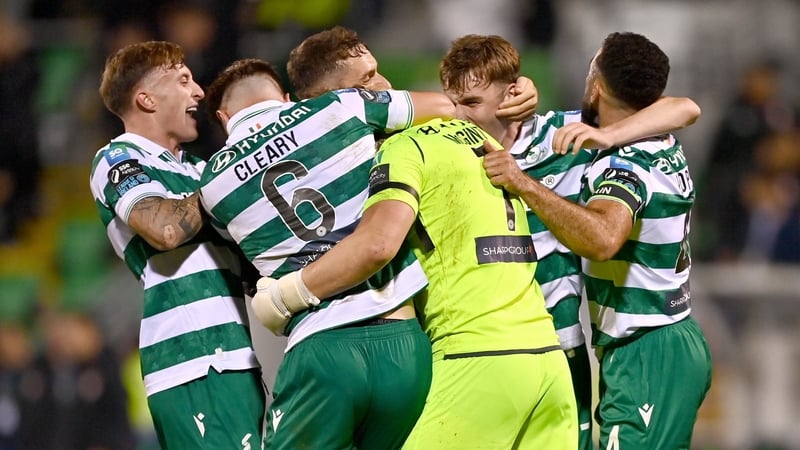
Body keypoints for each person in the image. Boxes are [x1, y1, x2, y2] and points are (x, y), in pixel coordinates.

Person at [437, 33, 702, 450]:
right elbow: (683, 108)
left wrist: (526, 178)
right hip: (481, 350)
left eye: (470, 104)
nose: (459, 115)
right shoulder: (440, 149)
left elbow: (684, 108)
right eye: (453, 103)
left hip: (568, 349)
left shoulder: (572, 141)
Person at [198, 58, 460, 449]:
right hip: (403, 340)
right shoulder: (340, 106)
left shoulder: (211, 183)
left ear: (223, 117)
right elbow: (444, 108)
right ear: (285, 97)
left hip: (321, 347)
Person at [88, 41, 265, 449]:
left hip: (238, 355)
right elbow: (165, 229)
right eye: (183, 80)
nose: (199, 92)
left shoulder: (197, 169)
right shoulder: (117, 158)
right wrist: (228, 178)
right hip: (194, 361)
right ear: (145, 99)